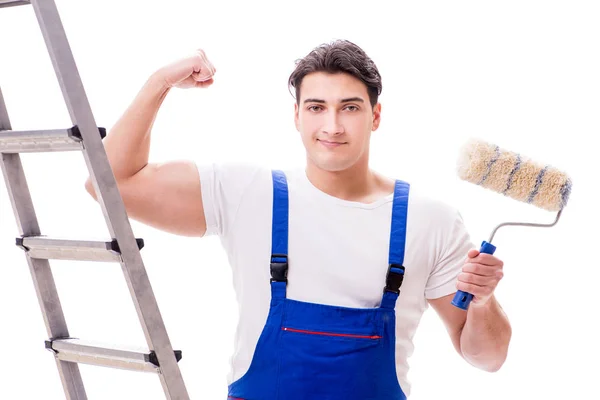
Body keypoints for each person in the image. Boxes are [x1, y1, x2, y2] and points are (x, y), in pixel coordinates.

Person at [84, 39, 512, 399]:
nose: (332, 125)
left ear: (375, 116)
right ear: (296, 116)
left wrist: (482, 300)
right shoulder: (246, 194)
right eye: (316, 107)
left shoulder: (430, 220)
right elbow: (109, 183)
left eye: (349, 107)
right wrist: (159, 83)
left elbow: (487, 357)